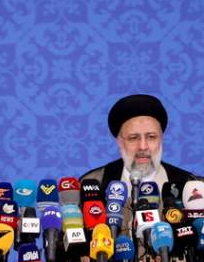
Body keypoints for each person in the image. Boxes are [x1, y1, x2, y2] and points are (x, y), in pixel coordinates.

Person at [80, 94, 196, 224]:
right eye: (133, 138)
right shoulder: (94, 183)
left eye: (151, 137)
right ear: (119, 142)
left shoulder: (187, 183)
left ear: (161, 139)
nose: (143, 147)